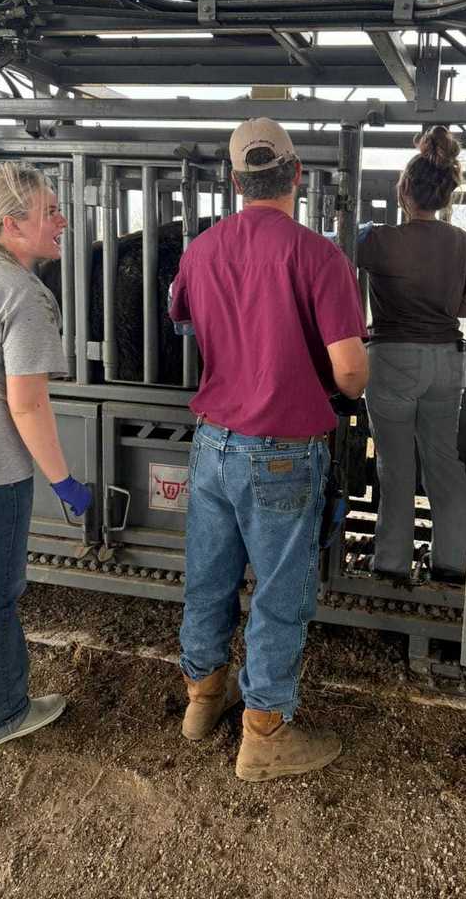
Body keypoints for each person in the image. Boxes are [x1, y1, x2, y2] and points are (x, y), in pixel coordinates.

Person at [169, 118, 368, 782]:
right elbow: (349, 372)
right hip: (281, 449)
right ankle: (264, 730)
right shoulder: (320, 258)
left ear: (234, 182)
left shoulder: (201, 251)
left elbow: (189, 320)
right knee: (280, 593)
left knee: (208, 577)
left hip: (212, 445)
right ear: (298, 175)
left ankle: (203, 700)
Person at [0, 162, 92, 750]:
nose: (62, 220)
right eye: (49, 211)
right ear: (13, 224)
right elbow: (27, 404)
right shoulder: (19, 291)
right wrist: (64, 480)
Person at [357, 126, 466, 586]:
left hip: (391, 357)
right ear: (448, 194)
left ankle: (391, 563)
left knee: (395, 463)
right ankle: (453, 561)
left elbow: (329, 252)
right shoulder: (461, 242)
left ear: (403, 190)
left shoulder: (376, 240)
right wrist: (441, 302)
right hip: (444, 361)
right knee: (443, 460)